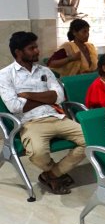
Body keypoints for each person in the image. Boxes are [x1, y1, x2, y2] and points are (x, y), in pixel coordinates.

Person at [0, 31, 86, 195]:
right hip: (31, 123)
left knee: (91, 140)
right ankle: (55, 173)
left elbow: (59, 97)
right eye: (31, 48)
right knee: (38, 153)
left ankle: (52, 175)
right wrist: (47, 98)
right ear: (18, 52)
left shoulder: (45, 71)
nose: (37, 51)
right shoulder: (4, 75)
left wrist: (28, 95)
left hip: (57, 117)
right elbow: (15, 106)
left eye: (36, 47)